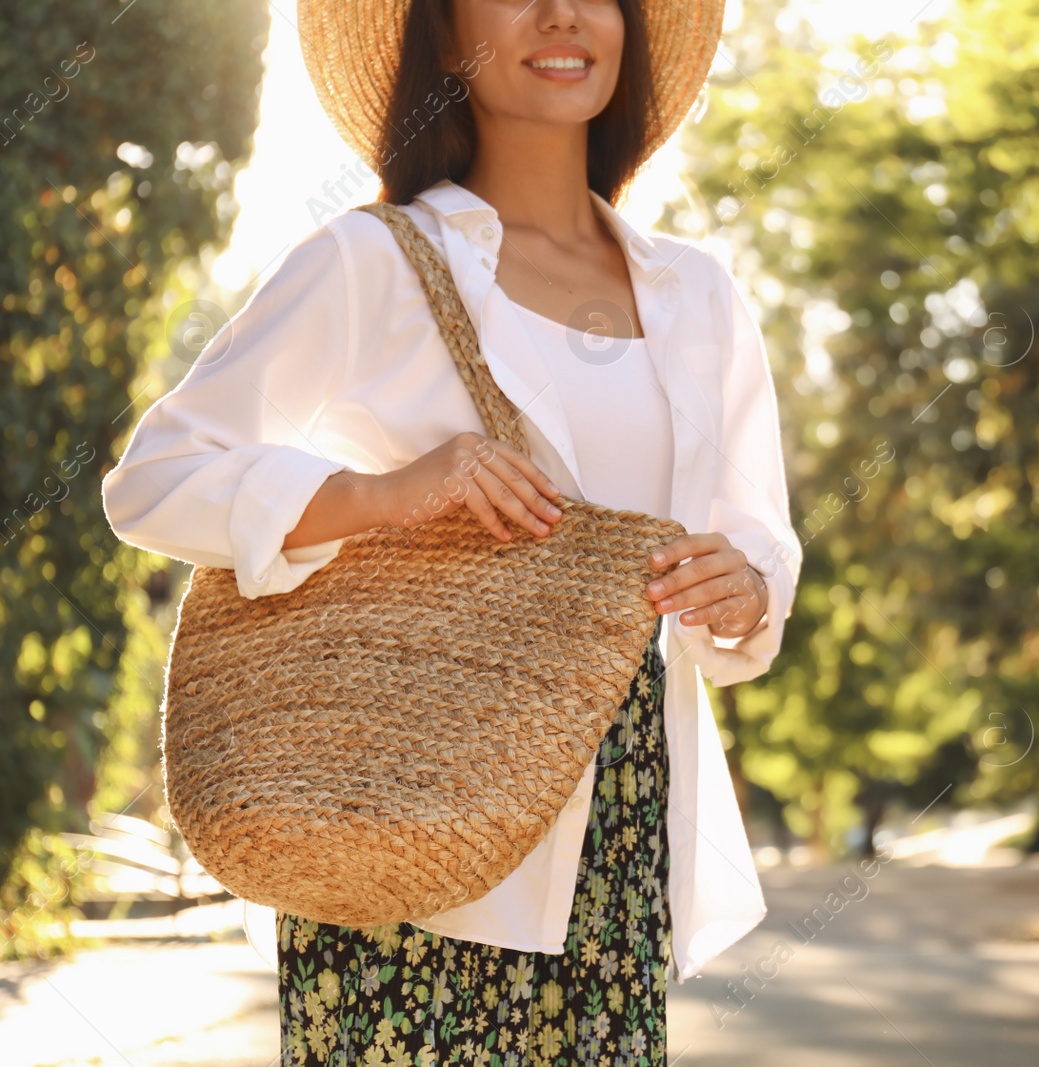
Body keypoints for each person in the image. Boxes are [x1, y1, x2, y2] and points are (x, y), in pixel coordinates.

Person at [99, 0, 803, 1062]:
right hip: (390, 807)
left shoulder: (695, 293)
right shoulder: (368, 262)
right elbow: (153, 481)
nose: (562, 14)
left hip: (614, 824)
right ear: (442, 27)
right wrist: (386, 494)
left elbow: (756, 551)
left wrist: (743, 589)